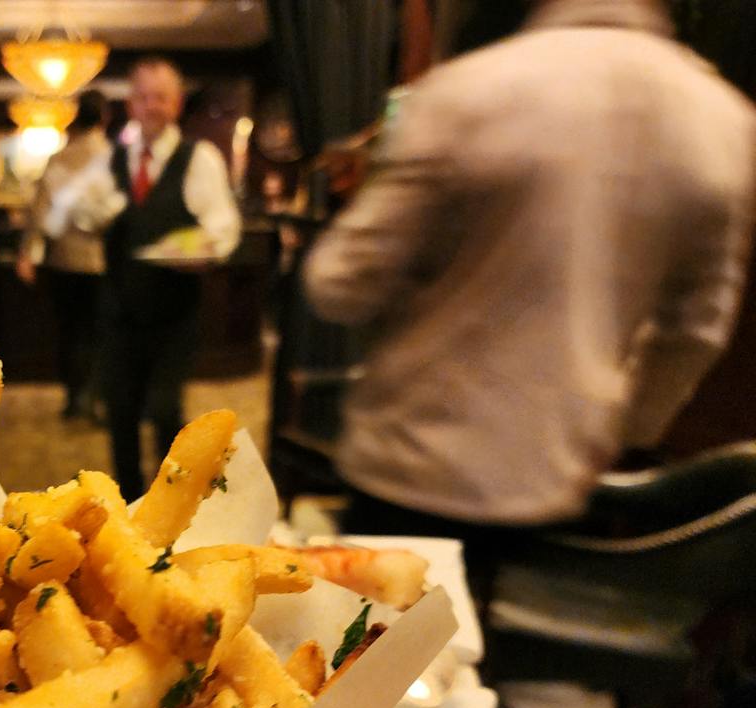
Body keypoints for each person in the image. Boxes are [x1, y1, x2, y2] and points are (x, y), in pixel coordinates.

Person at [303, 0, 756, 587]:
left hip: (415, 461)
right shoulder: (724, 119)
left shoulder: (468, 92)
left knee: (380, 662)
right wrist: (620, 428)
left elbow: (339, 285)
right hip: (559, 475)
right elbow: (696, 331)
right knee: (505, 655)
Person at [73, 57, 242, 499]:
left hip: (174, 312)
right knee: (121, 413)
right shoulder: (110, 159)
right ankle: (128, 506)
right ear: (131, 103)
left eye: (161, 97)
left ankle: (172, 502)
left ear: (177, 103)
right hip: (117, 310)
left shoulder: (198, 159)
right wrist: (95, 213)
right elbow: (82, 215)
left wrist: (201, 249)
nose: (152, 106)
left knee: (166, 410)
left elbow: (222, 227)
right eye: (144, 97)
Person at [15, 90, 111, 422]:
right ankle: (94, 398)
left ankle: (73, 399)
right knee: (99, 333)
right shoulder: (112, 157)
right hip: (101, 262)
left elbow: (38, 211)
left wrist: (26, 253)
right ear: (104, 117)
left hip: (62, 261)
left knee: (69, 332)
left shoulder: (59, 159)